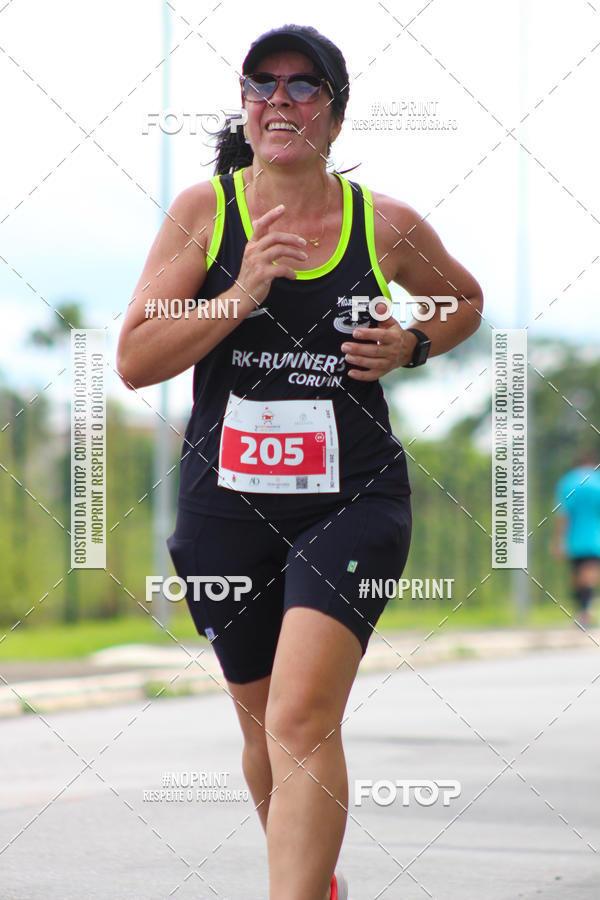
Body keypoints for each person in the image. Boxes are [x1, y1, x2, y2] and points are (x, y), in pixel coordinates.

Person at [117, 23, 484, 900]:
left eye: (302, 85)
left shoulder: (383, 224)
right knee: (262, 731)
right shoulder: (205, 215)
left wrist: (415, 341)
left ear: (336, 115)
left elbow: (465, 299)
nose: (279, 99)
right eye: (262, 84)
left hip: (351, 499)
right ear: (245, 110)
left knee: (300, 714)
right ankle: (316, 882)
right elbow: (134, 359)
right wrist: (241, 294)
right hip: (226, 506)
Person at [552, 450, 600, 628]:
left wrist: (558, 540)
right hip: (595, 537)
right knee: (590, 574)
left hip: (573, 538)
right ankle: (585, 611)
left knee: (577, 574)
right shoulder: (597, 481)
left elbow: (562, 514)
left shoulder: (568, 481)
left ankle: (582, 612)